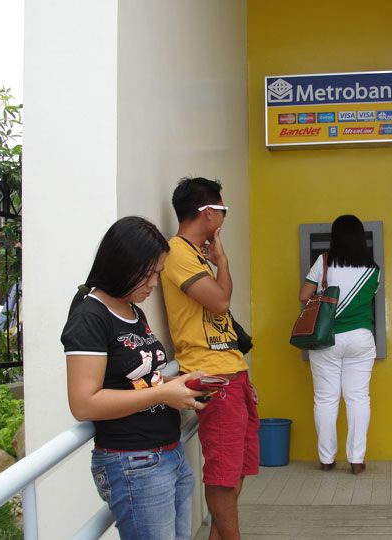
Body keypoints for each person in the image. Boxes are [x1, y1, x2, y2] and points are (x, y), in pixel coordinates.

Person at [61, 216, 209, 540]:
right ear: (123, 265)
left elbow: (143, 380)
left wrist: (181, 383)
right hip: (135, 463)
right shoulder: (90, 316)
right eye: (150, 274)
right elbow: (84, 403)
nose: (154, 284)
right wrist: (162, 395)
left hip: (168, 454)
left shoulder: (133, 311)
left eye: (158, 273)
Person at [160, 177, 259, 540]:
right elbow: (219, 301)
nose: (224, 218)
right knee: (222, 473)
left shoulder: (195, 254)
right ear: (207, 213)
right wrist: (223, 261)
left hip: (233, 372)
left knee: (239, 468)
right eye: (222, 210)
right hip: (213, 377)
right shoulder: (178, 253)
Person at [299, 215, 380, 475]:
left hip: (327, 338)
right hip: (361, 338)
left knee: (325, 399)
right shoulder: (374, 269)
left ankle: (326, 459)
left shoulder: (323, 262)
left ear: (335, 236)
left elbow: (303, 295)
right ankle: (356, 460)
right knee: (358, 398)